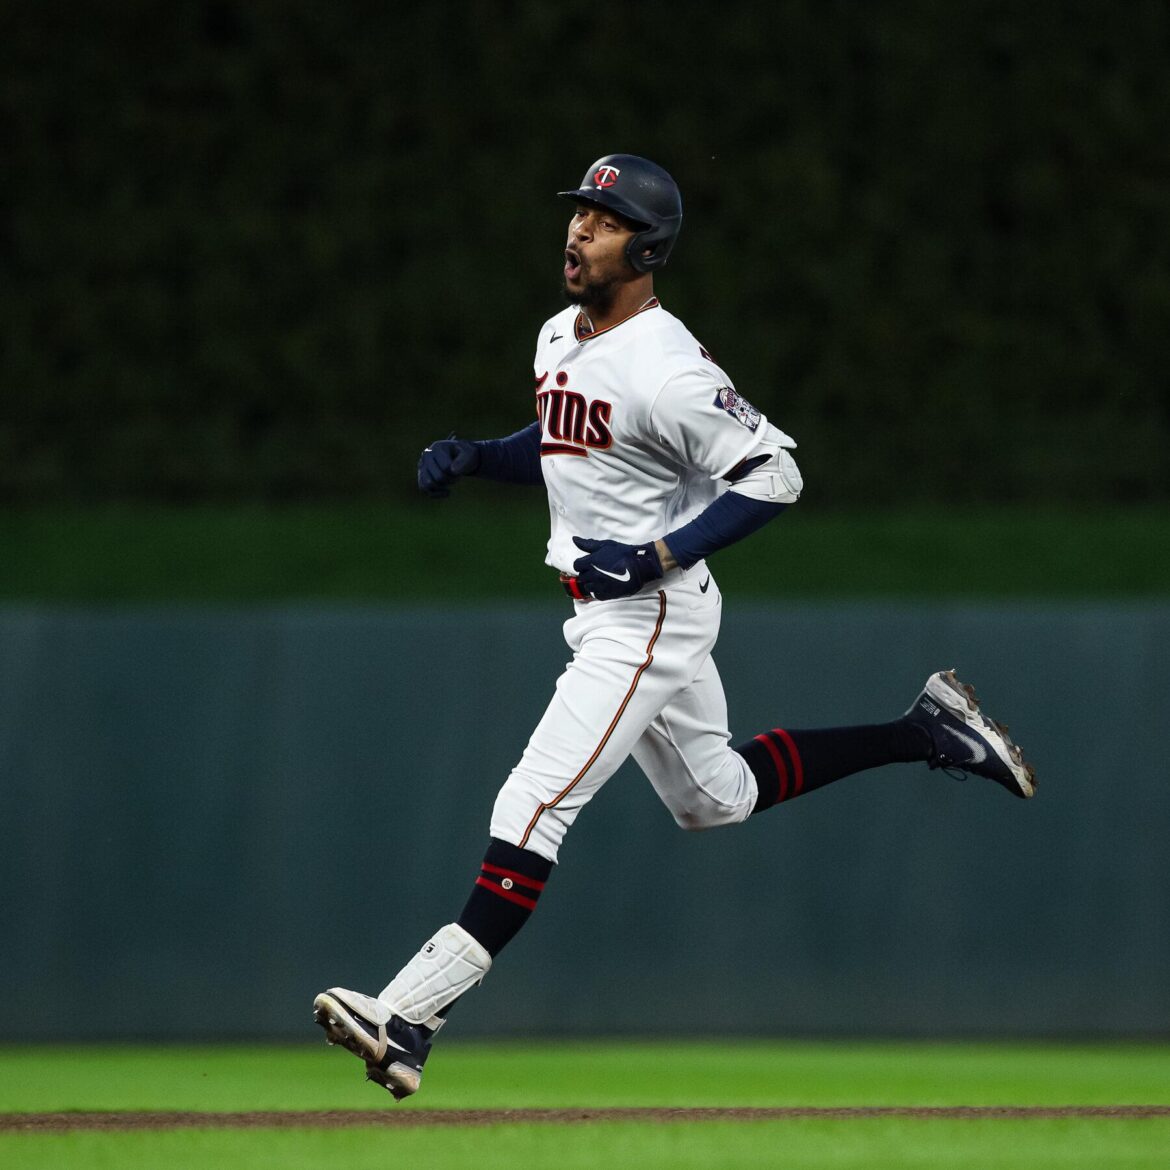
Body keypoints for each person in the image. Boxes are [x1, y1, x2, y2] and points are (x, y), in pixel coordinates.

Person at [313, 154, 1036, 1100]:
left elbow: (777, 472)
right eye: (579, 211)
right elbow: (573, 438)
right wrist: (481, 456)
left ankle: (408, 1015)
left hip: (645, 615)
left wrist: (658, 556)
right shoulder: (557, 334)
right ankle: (926, 728)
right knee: (714, 795)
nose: (579, 230)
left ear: (647, 247)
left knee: (532, 805)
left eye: (604, 221)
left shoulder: (672, 369)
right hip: (608, 611)